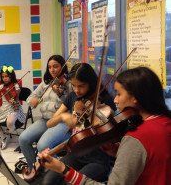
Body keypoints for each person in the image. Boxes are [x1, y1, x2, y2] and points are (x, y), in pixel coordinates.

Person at [39, 66, 171, 185]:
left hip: (98, 160)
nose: (115, 99)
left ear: (135, 97)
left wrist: (64, 169)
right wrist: (118, 152)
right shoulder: (165, 121)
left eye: (119, 94)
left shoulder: (136, 138)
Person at [42, 63, 116, 185]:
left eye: (81, 86)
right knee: (49, 180)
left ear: (91, 83)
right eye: (73, 85)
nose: (77, 90)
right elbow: (49, 124)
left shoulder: (104, 99)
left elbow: (111, 134)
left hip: (98, 159)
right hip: (76, 154)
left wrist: (96, 121)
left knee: (71, 182)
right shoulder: (73, 97)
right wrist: (63, 116)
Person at [18, 55, 71, 178]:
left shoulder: (68, 84)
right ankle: (35, 171)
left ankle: (55, 175)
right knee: (23, 139)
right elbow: (30, 97)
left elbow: (69, 104)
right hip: (45, 119)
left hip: (61, 121)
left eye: (56, 66)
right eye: (50, 67)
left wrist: (60, 94)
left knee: (42, 146)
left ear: (62, 67)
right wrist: (33, 101)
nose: (52, 70)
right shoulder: (46, 83)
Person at [0, 65, 25, 149]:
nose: (5, 78)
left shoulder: (15, 85)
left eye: (7, 76)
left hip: (14, 108)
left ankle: (8, 132)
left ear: (11, 76)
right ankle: (4, 137)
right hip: (4, 109)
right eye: (3, 77)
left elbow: (16, 99)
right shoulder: (1, 86)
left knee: (10, 122)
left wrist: (15, 98)